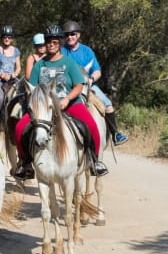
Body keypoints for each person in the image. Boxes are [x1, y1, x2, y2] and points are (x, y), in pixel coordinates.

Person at [13, 25, 108, 180]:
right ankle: (25, 163)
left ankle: (95, 161)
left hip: (70, 103)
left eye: (55, 42)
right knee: (19, 128)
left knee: (91, 125)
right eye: (49, 42)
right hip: (45, 107)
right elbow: (33, 88)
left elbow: (79, 85)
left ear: (60, 44)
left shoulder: (69, 63)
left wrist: (67, 99)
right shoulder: (39, 65)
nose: (51, 45)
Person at [61, 20, 128, 146]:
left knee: (108, 105)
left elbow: (97, 70)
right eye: (67, 35)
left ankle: (115, 134)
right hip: (67, 87)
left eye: (72, 34)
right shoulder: (61, 51)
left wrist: (91, 79)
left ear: (78, 35)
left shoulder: (87, 51)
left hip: (88, 84)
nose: (69, 37)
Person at [0, 25, 21, 121]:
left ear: (12, 38)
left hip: (12, 79)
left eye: (9, 37)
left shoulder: (16, 51)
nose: (7, 39)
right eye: (5, 36)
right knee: (0, 97)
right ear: (2, 38)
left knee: (22, 95)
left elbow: (18, 68)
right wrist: (1, 75)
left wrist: (14, 74)